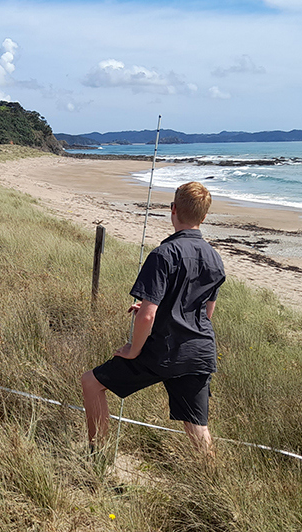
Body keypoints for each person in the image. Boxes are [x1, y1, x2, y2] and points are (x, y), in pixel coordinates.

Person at [80, 181, 226, 457]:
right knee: (197, 426)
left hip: (164, 350)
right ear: (204, 217)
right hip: (200, 349)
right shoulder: (215, 258)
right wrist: (160, 313)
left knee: (91, 382)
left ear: (172, 210)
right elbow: (205, 312)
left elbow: (148, 314)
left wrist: (133, 350)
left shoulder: (164, 254)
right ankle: (210, 479)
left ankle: (97, 454)